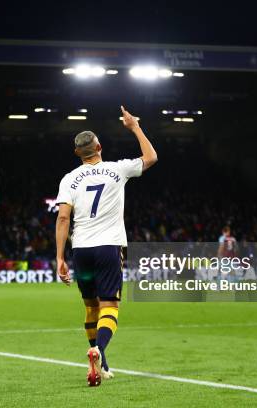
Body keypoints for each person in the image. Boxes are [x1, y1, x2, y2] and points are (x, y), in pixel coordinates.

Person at [55, 106, 157, 386]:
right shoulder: (117, 169)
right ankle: (98, 350)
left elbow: (64, 217)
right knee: (110, 306)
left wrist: (59, 257)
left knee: (91, 307)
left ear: (78, 153)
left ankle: (102, 362)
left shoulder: (68, 179)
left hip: (82, 251)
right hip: (108, 248)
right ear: (99, 146)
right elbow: (151, 157)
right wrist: (134, 126)